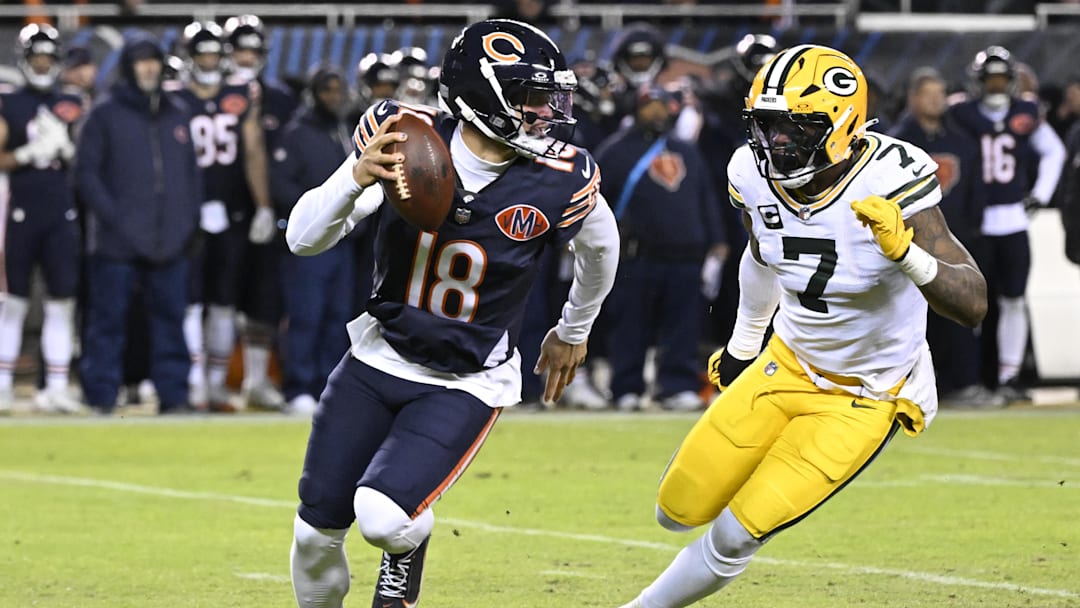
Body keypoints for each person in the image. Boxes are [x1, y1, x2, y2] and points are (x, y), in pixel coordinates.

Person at [617, 44, 987, 608]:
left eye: (794, 127)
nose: (775, 142)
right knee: (675, 508)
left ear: (842, 125)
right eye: (765, 125)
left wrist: (910, 254)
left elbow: (974, 303)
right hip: (788, 360)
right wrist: (743, 345)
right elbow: (762, 253)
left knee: (736, 533)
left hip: (867, 393)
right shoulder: (749, 170)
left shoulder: (892, 176)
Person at [285, 19, 619, 608]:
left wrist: (573, 330)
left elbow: (602, 245)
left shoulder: (562, 177)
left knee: (383, 519)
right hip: (377, 357)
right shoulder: (404, 139)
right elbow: (303, 239)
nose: (545, 113)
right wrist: (354, 176)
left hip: (464, 378)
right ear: (484, 98)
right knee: (314, 537)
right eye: (529, 98)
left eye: (549, 98)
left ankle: (408, 545)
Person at [76, 32, 201, 414]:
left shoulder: (178, 112)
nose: (148, 68)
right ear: (128, 67)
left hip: (169, 240)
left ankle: (174, 396)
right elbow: (86, 176)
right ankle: (101, 396)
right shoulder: (104, 113)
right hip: (116, 242)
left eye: (153, 61)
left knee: (170, 323)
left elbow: (191, 177)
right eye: (140, 61)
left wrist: (187, 223)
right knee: (107, 323)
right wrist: (116, 221)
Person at [595, 84, 728, 412]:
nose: (656, 111)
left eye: (662, 105)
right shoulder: (615, 151)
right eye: (648, 105)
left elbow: (705, 195)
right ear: (635, 109)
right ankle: (626, 387)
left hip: (685, 255)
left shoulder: (686, 149)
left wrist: (718, 239)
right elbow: (594, 201)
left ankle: (676, 385)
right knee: (630, 325)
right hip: (636, 256)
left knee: (683, 326)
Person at [948, 46, 1065, 402]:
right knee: (975, 303)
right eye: (991, 80)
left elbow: (1054, 152)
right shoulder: (961, 113)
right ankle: (977, 374)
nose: (997, 87)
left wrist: (1040, 194)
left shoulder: (1027, 113)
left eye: (1002, 79)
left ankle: (1009, 374)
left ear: (1012, 81)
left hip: (1013, 218)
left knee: (1014, 299)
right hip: (977, 222)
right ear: (978, 82)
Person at [173, 21, 277, 412]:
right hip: (186, 209)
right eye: (202, 55)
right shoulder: (175, 96)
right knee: (188, 299)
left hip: (232, 208)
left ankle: (214, 382)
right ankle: (193, 379)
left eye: (214, 54)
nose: (209, 62)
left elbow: (253, 152)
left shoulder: (241, 94)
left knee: (222, 300)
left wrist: (263, 204)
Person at [891, 67, 1002, 408]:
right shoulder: (897, 144)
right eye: (929, 93)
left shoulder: (961, 142)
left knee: (957, 315)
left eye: (941, 92)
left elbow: (975, 192)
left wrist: (973, 229)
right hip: (908, 245)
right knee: (911, 318)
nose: (937, 99)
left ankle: (963, 383)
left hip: (954, 240)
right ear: (913, 99)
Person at [0, 23, 83, 413]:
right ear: (24, 60)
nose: (43, 64)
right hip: (20, 209)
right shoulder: (9, 102)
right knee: (13, 299)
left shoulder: (74, 101)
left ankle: (56, 385)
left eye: (48, 58)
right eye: (37, 57)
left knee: (62, 301)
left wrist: (70, 150)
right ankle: (2, 383)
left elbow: (94, 158)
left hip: (62, 209)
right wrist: (29, 153)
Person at [271, 66, 361, 415]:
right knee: (306, 314)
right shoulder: (296, 134)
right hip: (311, 243)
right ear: (313, 94)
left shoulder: (346, 130)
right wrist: (319, 214)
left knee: (338, 315)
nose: (334, 97)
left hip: (345, 240)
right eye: (327, 91)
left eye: (339, 90)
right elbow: (282, 185)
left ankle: (328, 384)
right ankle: (298, 386)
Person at [223, 13, 299, 411]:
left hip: (267, 212)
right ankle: (206, 380)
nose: (247, 57)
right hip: (219, 208)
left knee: (264, 296)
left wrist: (274, 205)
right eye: (240, 49)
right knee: (213, 298)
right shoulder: (208, 93)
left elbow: (288, 156)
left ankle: (254, 378)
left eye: (253, 49)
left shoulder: (281, 98)